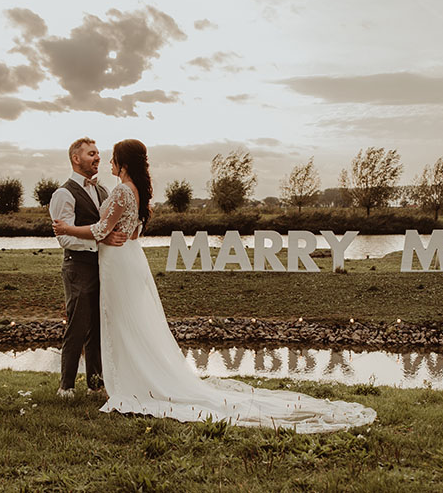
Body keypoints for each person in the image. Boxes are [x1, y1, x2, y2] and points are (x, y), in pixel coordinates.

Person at [54, 139, 376, 433]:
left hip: (118, 263)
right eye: (97, 154)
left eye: (111, 157)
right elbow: (129, 232)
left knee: (124, 323)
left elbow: (99, 229)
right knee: (129, 323)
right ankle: (118, 379)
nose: (106, 161)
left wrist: (70, 228)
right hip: (127, 260)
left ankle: (131, 382)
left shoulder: (122, 191)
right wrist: (106, 234)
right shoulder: (135, 191)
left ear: (123, 162)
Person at [49, 137, 128, 399]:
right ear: (76, 158)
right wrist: (99, 239)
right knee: (77, 325)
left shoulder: (104, 190)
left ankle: (95, 384)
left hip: (103, 267)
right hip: (79, 266)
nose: (98, 158)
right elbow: (64, 238)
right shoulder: (63, 193)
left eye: (98, 153)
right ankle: (66, 387)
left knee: (98, 326)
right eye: (92, 153)